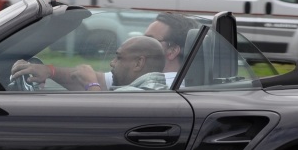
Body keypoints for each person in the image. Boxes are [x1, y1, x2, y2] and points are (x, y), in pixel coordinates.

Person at [11, 11, 196, 91]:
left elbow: (109, 113)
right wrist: (50, 71)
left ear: (172, 51)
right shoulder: (141, 76)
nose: (142, 41)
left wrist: (92, 86)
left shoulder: (167, 87)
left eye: (150, 39)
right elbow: (95, 78)